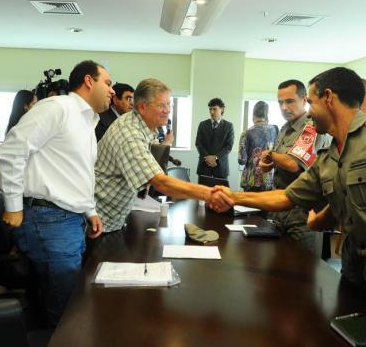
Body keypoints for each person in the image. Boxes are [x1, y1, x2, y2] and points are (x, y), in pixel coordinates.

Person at [213, 67, 366, 288]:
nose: (310, 113)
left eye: (311, 103)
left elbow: (293, 164)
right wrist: (232, 196)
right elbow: (288, 196)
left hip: (301, 223)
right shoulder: (329, 155)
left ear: (329, 98)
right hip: (353, 263)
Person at [0, 60, 113, 325]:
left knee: (68, 300)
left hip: (69, 220)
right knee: (66, 310)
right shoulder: (58, 108)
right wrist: (13, 205)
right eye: (108, 82)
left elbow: (77, 173)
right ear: (88, 81)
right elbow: (11, 152)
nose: (112, 91)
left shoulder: (87, 123)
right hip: (50, 220)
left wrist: (90, 210)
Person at [95, 78, 230, 233]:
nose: (168, 110)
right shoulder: (129, 134)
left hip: (116, 218)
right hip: (100, 223)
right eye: (161, 105)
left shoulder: (143, 125)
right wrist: (210, 194)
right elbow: (160, 183)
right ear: (142, 107)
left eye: (169, 104)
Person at [258, 80, 326, 252]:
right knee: (279, 265)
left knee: (301, 270)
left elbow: (293, 164)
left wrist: (270, 154)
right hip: (279, 208)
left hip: (300, 214)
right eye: (280, 102)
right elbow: (281, 161)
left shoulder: (311, 127)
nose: (283, 108)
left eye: (289, 101)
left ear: (304, 100)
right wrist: (269, 164)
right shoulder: (284, 128)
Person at [238, 101, 278, 192]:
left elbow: (241, 160)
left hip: (250, 181)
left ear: (253, 114)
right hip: (269, 180)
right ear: (266, 115)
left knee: (248, 206)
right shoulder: (275, 130)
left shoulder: (246, 133)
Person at [195, 98, 234, 182]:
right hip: (204, 167)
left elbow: (229, 146)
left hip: (221, 167)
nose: (212, 112)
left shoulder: (229, 126)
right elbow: (198, 143)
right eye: (210, 109)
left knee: (220, 194)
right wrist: (208, 158)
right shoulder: (202, 125)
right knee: (202, 194)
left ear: (222, 109)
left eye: (214, 109)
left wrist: (215, 158)